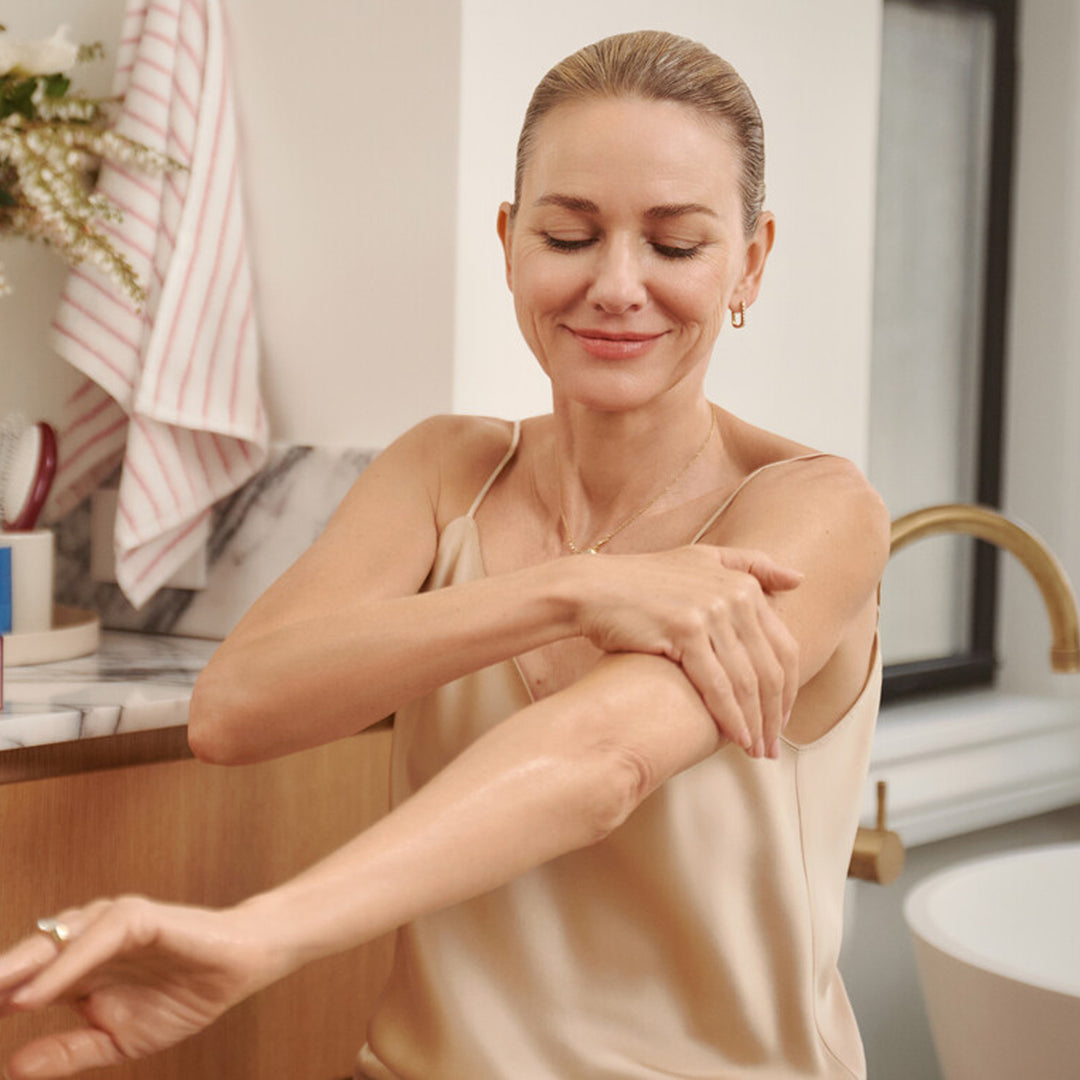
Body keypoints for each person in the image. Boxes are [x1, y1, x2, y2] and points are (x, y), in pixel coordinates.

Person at [0, 29, 889, 1080]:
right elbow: (234, 710)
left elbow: (603, 762)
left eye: (676, 243)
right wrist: (571, 591)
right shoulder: (443, 470)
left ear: (751, 259)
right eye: (568, 234)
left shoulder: (814, 510)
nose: (615, 284)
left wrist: (259, 936)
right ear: (510, 241)